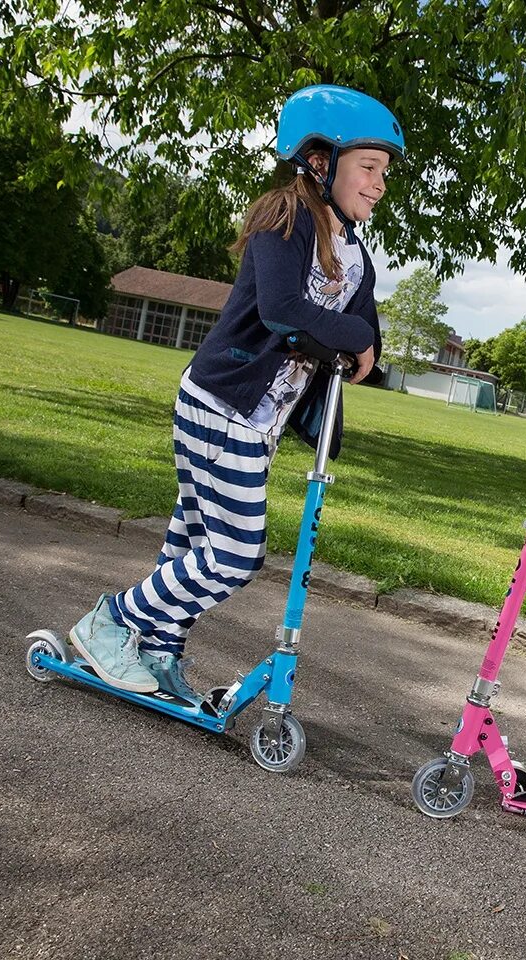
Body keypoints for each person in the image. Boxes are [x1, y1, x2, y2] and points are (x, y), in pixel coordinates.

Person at [67, 85, 403, 699]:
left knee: (192, 541)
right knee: (235, 555)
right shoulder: (287, 217)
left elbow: (366, 343)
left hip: (257, 420)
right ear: (320, 160)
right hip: (222, 403)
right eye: (369, 168)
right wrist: (347, 335)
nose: (380, 184)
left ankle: (160, 649)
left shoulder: (355, 253)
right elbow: (283, 309)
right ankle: (110, 621)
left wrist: (353, 341)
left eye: (385, 172)